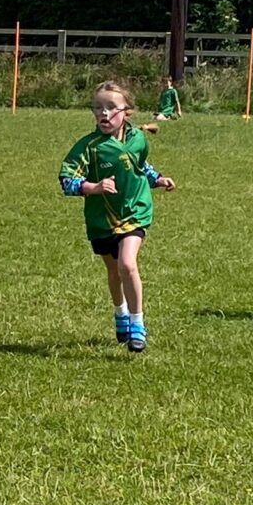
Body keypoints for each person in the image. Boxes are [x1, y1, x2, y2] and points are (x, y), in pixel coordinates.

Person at [59, 81, 176, 353]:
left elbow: (139, 166)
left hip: (135, 211)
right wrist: (93, 187)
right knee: (114, 271)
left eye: (111, 107)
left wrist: (157, 179)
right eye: (98, 107)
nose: (104, 113)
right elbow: (66, 180)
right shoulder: (88, 147)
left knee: (127, 264)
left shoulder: (138, 139)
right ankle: (120, 313)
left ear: (127, 112)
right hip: (102, 219)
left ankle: (138, 324)